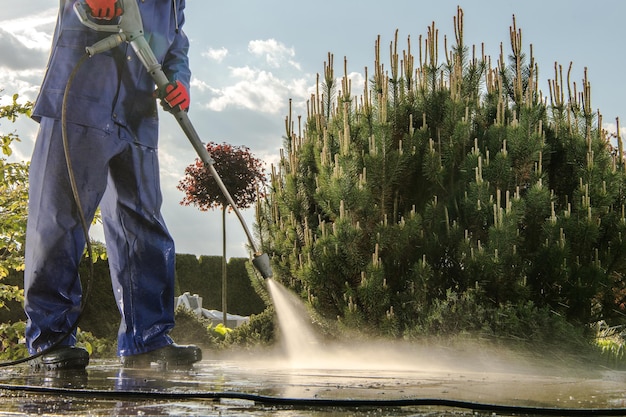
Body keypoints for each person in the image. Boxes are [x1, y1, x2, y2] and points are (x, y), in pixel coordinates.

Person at [24, 0, 201, 370]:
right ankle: (49, 341)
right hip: (81, 96)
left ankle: (148, 338)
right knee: (60, 217)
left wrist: (179, 79)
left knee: (144, 224)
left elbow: (176, 38)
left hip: (137, 112)